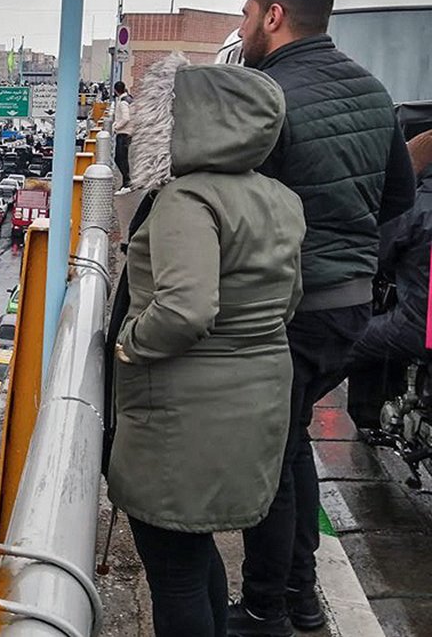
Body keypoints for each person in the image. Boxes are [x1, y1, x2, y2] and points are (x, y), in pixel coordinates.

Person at [231, 0, 416, 635]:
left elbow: (238, 209)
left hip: (289, 308)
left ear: (274, 15)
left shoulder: (266, 95)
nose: (241, 29)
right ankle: (300, 597)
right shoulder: (372, 91)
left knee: (268, 460)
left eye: (247, 15)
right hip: (349, 308)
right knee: (290, 443)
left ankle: (267, 608)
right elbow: (398, 198)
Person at [108, 53, 305, 637]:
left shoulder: (187, 200)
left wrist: (129, 344)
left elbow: (186, 310)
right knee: (195, 559)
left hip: (181, 420)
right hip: (256, 402)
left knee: (175, 573)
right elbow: (289, 301)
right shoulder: (280, 197)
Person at [345, 131, 432, 426]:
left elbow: (379, 253)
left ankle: (298, 421)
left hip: (418, 325)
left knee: (344, 344)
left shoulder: (417, 205)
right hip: (422, 324)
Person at [110, 81, 133, 193]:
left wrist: (116, 126)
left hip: (123, 132)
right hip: (128, 132)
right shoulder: (129, 99)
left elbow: (126, 118)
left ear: (115, 90)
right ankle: (126, 182)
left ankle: (127, 182)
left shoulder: (123, 102)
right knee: (123, 158)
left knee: (119, 158)